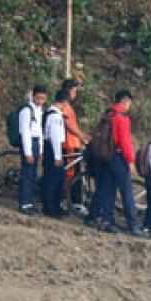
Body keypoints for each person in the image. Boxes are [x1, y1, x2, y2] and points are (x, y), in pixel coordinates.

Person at [89, 90, 146, 236]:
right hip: (118, 158)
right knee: (126, 191)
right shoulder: (121, 118)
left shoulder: (108, 114)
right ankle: (133, 225)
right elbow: (125, 141)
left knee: (108, 190)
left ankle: (107, 220)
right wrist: (130, 160)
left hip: (105, 157)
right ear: (126, 101)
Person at [56, 79, 90, 211]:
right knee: (69, 173)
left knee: (73, 172)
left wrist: (82, 136)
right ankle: (65, 199)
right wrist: (82, 136)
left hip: (73, 143)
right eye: (74, 91)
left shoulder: (68, 106)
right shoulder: (65, 106)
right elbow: (68, 125)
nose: (75, 94)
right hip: (68, 144)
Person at [18, 84, 46, 215]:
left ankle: (29, 202)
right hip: (29, 143)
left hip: (36, 143)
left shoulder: (39, 110)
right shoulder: (27, 110)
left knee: (33, 175)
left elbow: (40, 131)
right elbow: (25, 132)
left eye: (43, 99)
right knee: (27, 174)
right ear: (33, 96)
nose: (40, 101)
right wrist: (28, 152)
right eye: (38, 98)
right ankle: (24, 203)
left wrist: (40, 150)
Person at [41, 89, 69, 218]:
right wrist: (58, 156)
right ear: (64, 102)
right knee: (53, 180)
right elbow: (55, 137)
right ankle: (49, 207)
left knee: (57, 179)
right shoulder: (55, 116)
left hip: (51, 148)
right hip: (53, 150)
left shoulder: (50, 113)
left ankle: (55, 206)